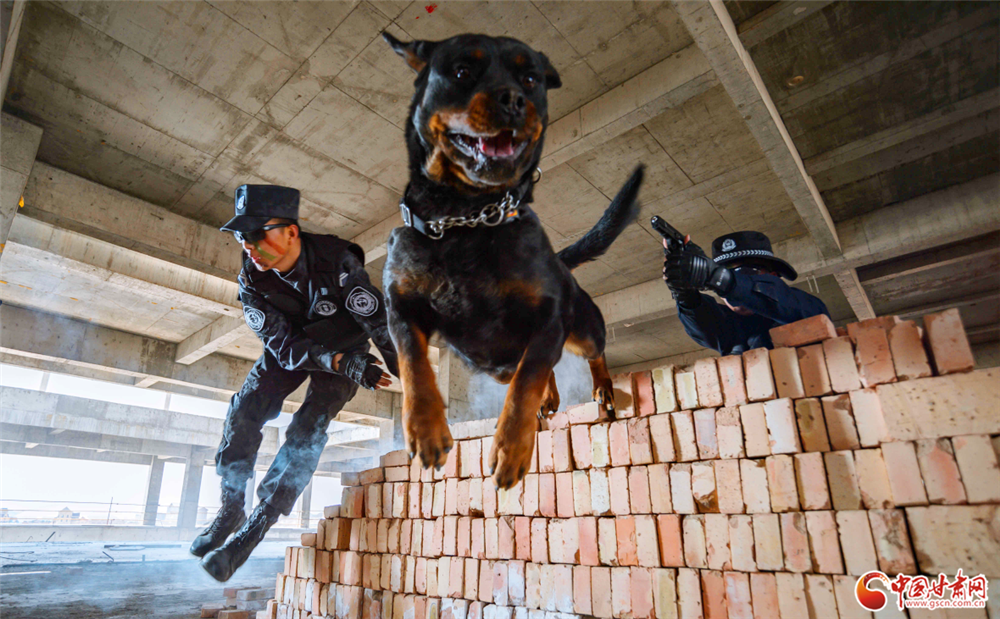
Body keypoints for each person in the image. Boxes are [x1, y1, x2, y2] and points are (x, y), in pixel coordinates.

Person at [193, 184, 399, 582]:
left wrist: (413, 380)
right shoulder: (251, 279)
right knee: (246, 408)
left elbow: (379, 324)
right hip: (294, 349)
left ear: (291, 232)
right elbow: (283, 346)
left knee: (307, 432)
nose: (249, 246)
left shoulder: (336, 261)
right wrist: (338, 362)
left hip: (345, 349)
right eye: (241, 237)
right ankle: (231, 507)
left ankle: (254, 530)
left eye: (257, 234)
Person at [663, 231, 830, 356]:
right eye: (726, 275)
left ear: (772, 277)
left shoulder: (805, 308)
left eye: (745, 272)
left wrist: (726, 281)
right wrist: (683, 291)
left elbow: (795, 305)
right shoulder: (730, 328)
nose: (728, 288)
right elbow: (702, 322)